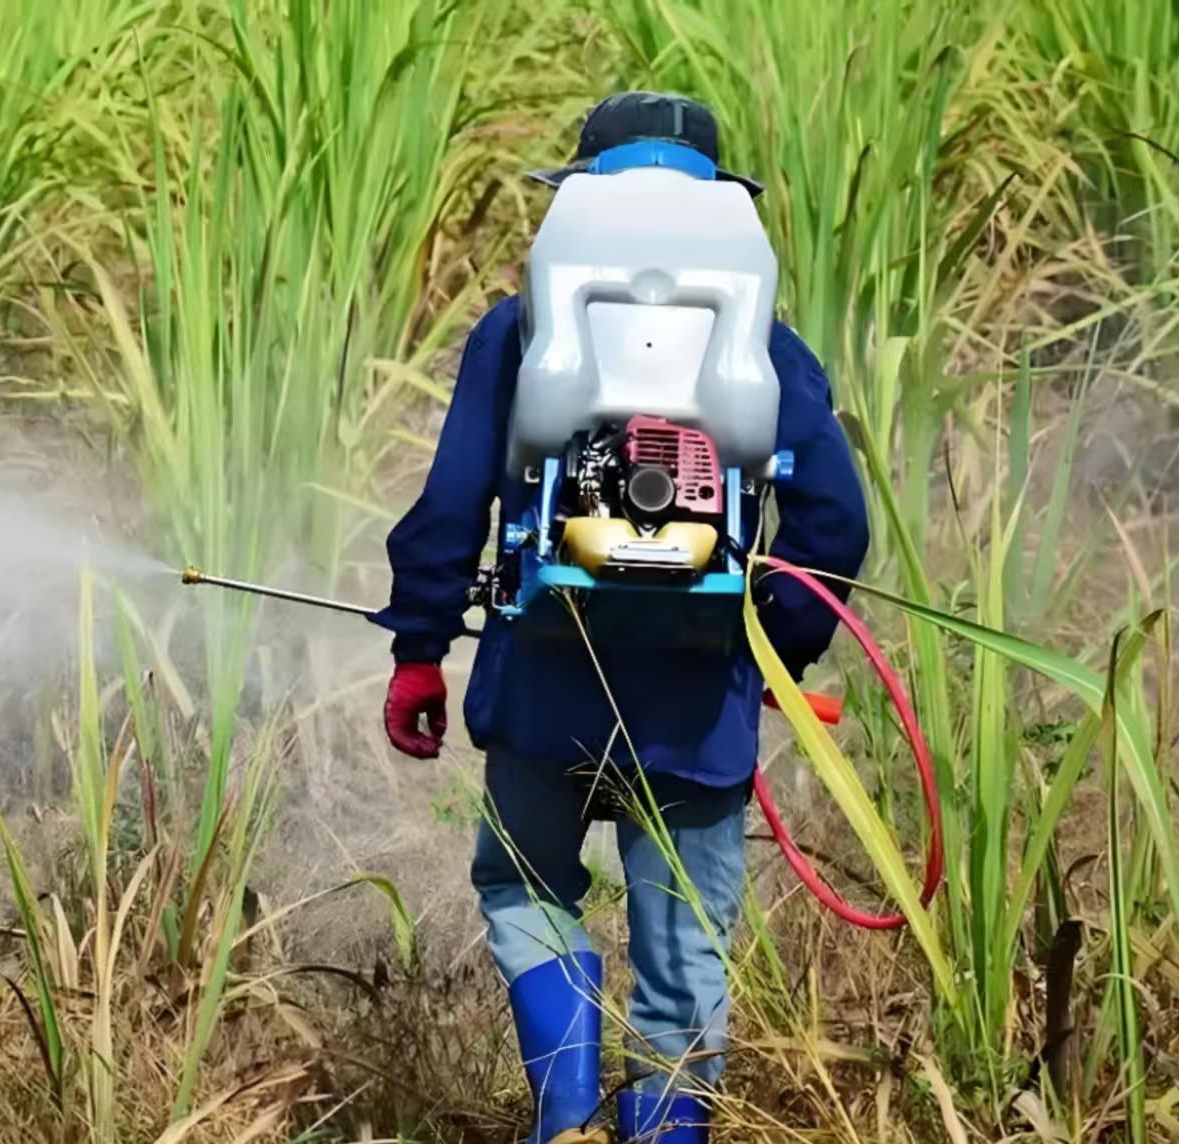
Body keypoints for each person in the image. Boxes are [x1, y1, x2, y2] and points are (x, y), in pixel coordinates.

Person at [372, 92, 871, 1143]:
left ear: (581, 199)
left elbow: (453, 503)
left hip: (542, 694)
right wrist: (764, 650)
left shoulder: (520, 333)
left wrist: (420, 652)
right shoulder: (769, 353)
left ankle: (565, 1113)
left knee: (524, 885)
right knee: (684, 956)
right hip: (699, 718)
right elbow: (833, 527)